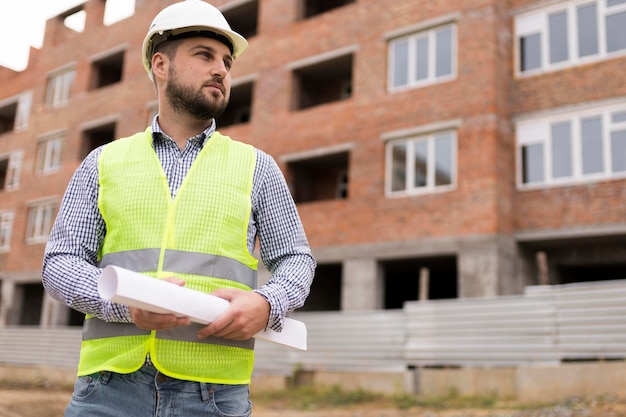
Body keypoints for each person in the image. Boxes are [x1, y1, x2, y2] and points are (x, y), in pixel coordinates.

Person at [41, 1, 316, 416]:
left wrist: (267, 304)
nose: (221, 70)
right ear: (161, 65)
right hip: (108, 389)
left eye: (226, 61)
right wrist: (125, 306)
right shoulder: (102, 162)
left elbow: (296, 258)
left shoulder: (256, 166)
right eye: (204, 55)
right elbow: (60, 264)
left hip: (214, 395)